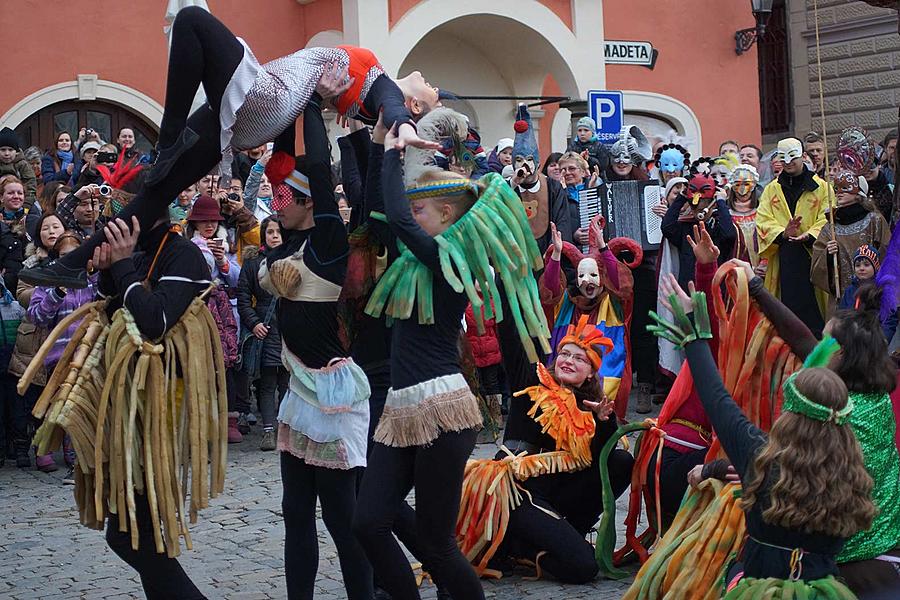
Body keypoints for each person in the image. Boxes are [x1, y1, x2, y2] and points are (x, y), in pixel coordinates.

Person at [20, 5, 441, 289]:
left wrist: (402, 125)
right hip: (258, 114)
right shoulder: (369, 88)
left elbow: (389, 102)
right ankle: (74, 265)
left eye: (434, 94)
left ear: (416, 103)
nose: (434, 83)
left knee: (190, 21)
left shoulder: (381, 82)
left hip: (264, 95)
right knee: (157, 192)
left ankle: (168, 140)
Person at [354, 108, 549, 600]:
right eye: (417, 211)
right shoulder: (414, 262)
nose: (412, 219)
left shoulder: (445, 260)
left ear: (445, 217)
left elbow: (398, 216)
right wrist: (378, 145)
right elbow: (385, 211)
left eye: (423, 212)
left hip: (441, 409)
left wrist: (399, 149)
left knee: (438, 545)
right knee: (369, 520)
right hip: (404, 406)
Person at [649, 273, 876, 599]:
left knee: (730, 571)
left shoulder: (760, 457)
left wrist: (693, 333)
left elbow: (717, 399)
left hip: (758, 589)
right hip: (824, 591)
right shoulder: (853, 472)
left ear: (792, 410)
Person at [258, 83, 373, 599]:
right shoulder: (289, 243)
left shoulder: (327, 240)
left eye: (285, 199)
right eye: (275, 198)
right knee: (295, 514)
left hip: (332, 396)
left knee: (342, 519)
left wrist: (308, 106)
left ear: (309, 203)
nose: (275, 206)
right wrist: (283, 113)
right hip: (296, 396)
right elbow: (283, 162)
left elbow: (320, 176)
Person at [738, 262, 900, 595]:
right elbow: (802, 341)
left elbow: (784, 464)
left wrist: (715, 468)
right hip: (885, 543)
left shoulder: (836, 411)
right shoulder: (873, 395)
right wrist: (756, 286)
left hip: (847, 554)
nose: (815, 345)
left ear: (838, 354)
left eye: (824, 340)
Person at [457, 317, 632, 583]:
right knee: (583, 567)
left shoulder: (591, 408)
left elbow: (598, 464)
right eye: (564, 353)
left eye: (579, 358)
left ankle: (567, 532)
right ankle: (519, 546)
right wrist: (508, 285)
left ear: (590, 373)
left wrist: (604, 423)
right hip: (516, 493)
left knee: (620, 461)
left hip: (553, 493)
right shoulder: (531, 383)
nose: (569, 360)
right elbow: (511, 339)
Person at [540, 219, 639, 417]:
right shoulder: (566, 301)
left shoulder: (614, 303)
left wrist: (603, 248)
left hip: (606, 386)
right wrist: (557, 255)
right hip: (565, 387)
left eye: (593, 274)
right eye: (582, 276)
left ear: (602, 277)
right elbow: (549, 289)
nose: (587, 280)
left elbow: (621, 284)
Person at [26, 232, 97, 483]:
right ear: (58, 258)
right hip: (59, 357)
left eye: (76, 254)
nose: (72, 260)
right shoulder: (48, 281)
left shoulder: (92, 281)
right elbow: (36, 317)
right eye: (66, 256)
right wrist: (56, 293)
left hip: (89, 355)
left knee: (80, 405)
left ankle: (76, 454)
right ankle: (45, 442)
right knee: (59, 404)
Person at [756, 137, 830, 336]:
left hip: (813, 257)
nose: (788, 162)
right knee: (786, 319)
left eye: (793, 157)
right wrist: (782, 233)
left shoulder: (821, 187)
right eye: (783, 158)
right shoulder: (772, 189)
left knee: (815, 316)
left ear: (803, 156)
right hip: (784, 260)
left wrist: (811, 234)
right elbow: (762, 220)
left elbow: (829, 216)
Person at [9, 213, 65, 471]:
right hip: (38, 334)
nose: (52, 231)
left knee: (68, 393)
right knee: (41, 395)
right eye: (46, 228)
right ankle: (42, 447)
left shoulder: (75, 256)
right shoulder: (32, 263)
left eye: (56, 226)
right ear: (38, 234)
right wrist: (46, 290)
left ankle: (72, 449)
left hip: (68, 332)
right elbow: (21, 293)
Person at [236, 216, 286, 451]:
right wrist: (254, 323)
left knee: (289, 382)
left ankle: (286, 429)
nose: (274, 236)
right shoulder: (253, 263)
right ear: (263, 235)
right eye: (270, 232)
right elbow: (243, 297)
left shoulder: (294, 258)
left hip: (288, 326)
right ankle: (268, 430)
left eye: (278, 232)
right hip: (265, 327)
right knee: (267, 382)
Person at [811, 170, 890, 301]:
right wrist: (828, 255)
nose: (839, 193)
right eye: (836, 189)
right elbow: (816, 270)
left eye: (845, 188)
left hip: (872, 296)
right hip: (841, 300)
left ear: (859, 192)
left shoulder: (875, 221)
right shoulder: (830, 227)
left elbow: (888, 254)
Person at [506, 104, 574, 253]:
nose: (525, 165)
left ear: (537, 163)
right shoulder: (506, 188)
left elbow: (562, 223)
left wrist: (552, 254)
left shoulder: (553, 188)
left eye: (529, 159)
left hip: (547, 256)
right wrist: (512, 184)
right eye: (519, 160)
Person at [661, 171, 736, 290]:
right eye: (694, 208)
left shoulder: (719, 227)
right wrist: (682, 197)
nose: (698, 213)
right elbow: (667, 228)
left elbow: (729, 236)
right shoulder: (685, 227)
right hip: (689, 289)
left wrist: (721, 201)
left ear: (713, 205)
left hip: (716, 289)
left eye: (702, 208)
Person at [727, 163, 765, 271]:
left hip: (761, 270)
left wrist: (764, 264)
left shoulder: (762, 212)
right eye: (737, 184)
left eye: (746, 184)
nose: (742, 190)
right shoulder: (725, 214)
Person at [0, 176, 29, 292]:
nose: (16, 196)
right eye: (11, 193)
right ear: (1, 197)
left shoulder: (33, 219)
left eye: (20, 193)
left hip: (26, 282)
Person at [0, 127, 38, 210]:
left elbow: (31, 185)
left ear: (16, 151)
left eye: (10, 150)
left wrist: (26, 205)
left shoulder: (23, 165)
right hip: (2, 201)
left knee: (37, 209)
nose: (7, 153)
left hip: (22, 202)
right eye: (3, 150)